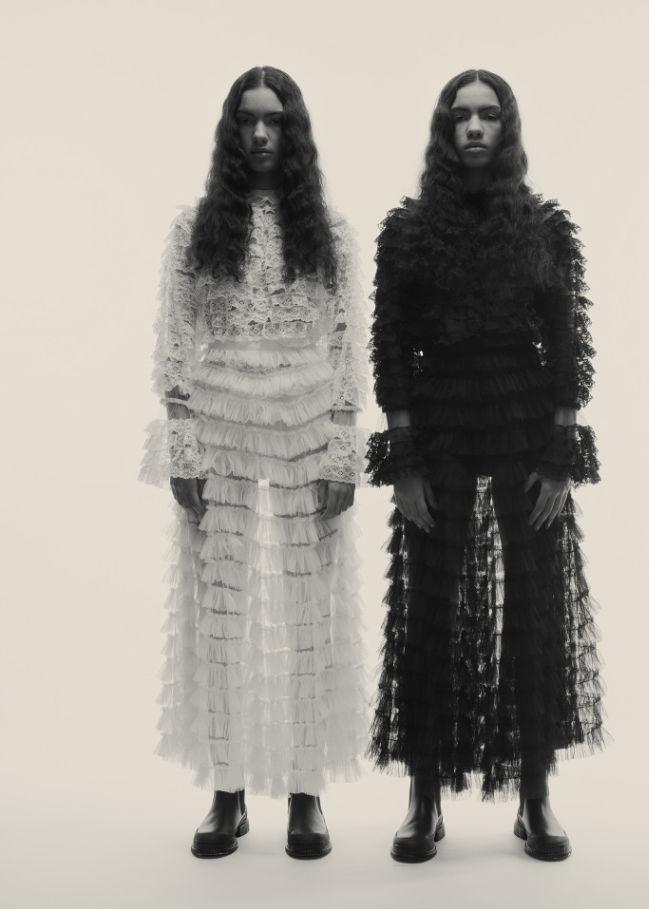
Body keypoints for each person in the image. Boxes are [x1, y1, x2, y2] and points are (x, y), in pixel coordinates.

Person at [365, 69, 604, 863]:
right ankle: (423, 798)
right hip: (438, 423)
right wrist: (403, 461)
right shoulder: (408, 231)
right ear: (444, 130)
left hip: (523, 422)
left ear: (508, 128)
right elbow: (392, 346)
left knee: (532, 607)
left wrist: (561, 456)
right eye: (460, 116)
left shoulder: (543, 226)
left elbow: (566, 341)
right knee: (428, 608)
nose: (474, 127)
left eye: (488, 115)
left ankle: (535, 796)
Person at [140, 66, 368, 860]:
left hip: (308, 424)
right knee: (221, 612)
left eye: (274, 120)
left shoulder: (330, 231)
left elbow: (348, 343)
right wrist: (181, 445)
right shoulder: (194, 229)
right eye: (247, 120)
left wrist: (345, 449)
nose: (261, 133)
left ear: (294, 131)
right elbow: (176, 342)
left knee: (310, 613)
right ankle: (227, 792)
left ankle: (306, 793)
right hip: (220, 423)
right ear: (231, 132)